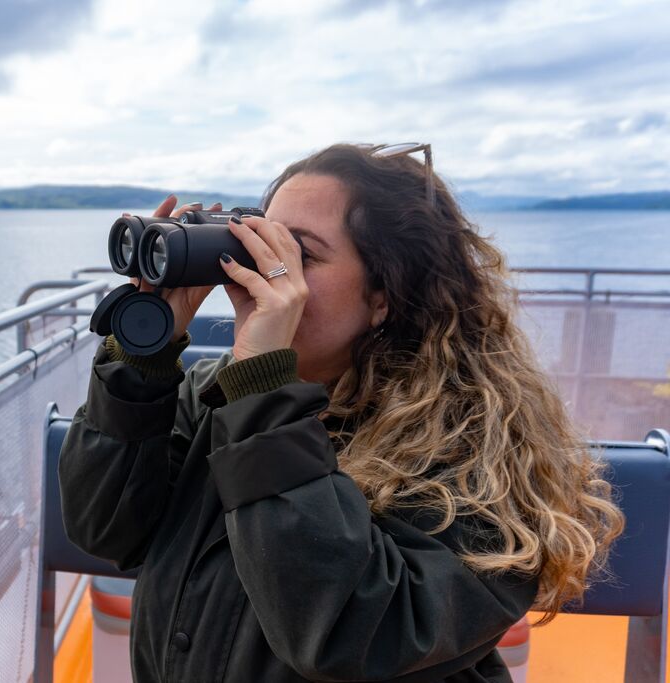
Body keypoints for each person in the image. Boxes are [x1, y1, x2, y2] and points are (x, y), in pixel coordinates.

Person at [58, 143, 625, 682]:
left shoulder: (480, 454)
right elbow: (107, 531)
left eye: (297, 254)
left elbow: (349, 635)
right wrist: (142, 358)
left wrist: (262, 395)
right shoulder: (216, 397)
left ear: (385, 296)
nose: (261, 271)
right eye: (262, 242)